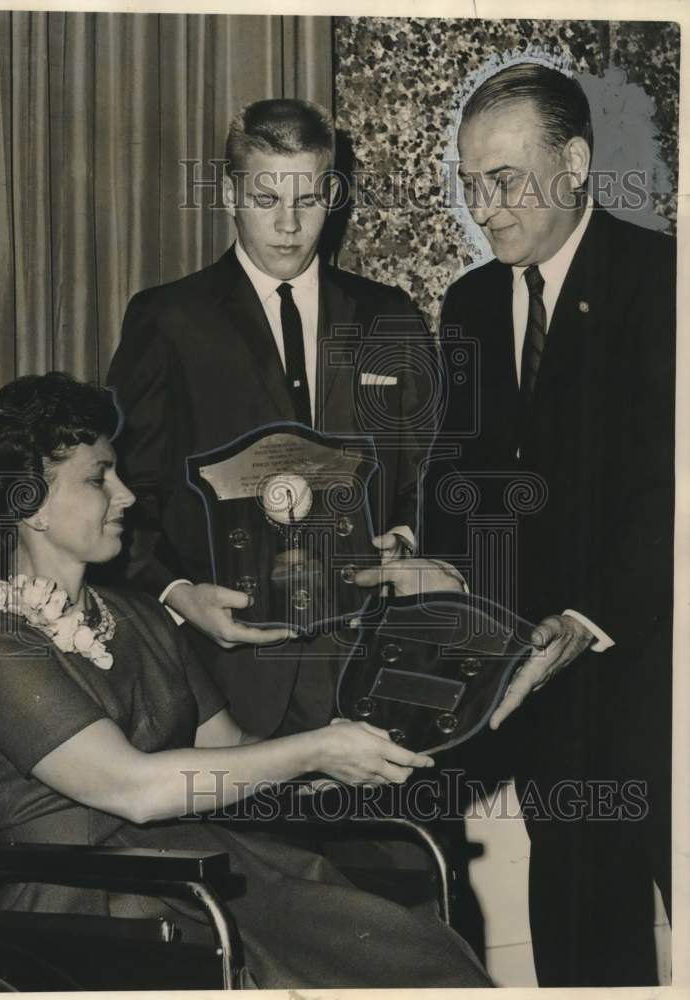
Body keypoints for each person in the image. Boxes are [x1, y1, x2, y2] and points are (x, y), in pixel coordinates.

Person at [0, 372, 490, 990]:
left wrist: (342, 748)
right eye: (99, 479)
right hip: (90, 904)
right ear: (30, 507)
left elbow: (231, 752)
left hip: (195, 871)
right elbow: (135, 790)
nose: (126, 495)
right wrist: (313, 751)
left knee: (410, 950)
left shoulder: (140, 615)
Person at [421, 61, 674, 985]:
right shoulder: (472, 305)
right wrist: (430, 560)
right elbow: (458, 471)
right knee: (580, 943)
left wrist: (586, 619)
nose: (482, 209)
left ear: (572, 164)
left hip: (658, 669)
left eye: (503, 180)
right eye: (469, 184)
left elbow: (669, 494)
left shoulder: (664, 282)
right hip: (541, 686)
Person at [106, 98, 435, 739]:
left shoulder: (391, 316)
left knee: (401, 844)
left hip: (375, 668)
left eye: (308, 201)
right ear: (231, 192)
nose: (288, 225)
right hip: (228, 681)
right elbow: (124, 495)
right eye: (265, 200)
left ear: (332, 195)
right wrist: (178, 594)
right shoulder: (169, 320)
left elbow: (433, 470)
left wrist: (409, 540)